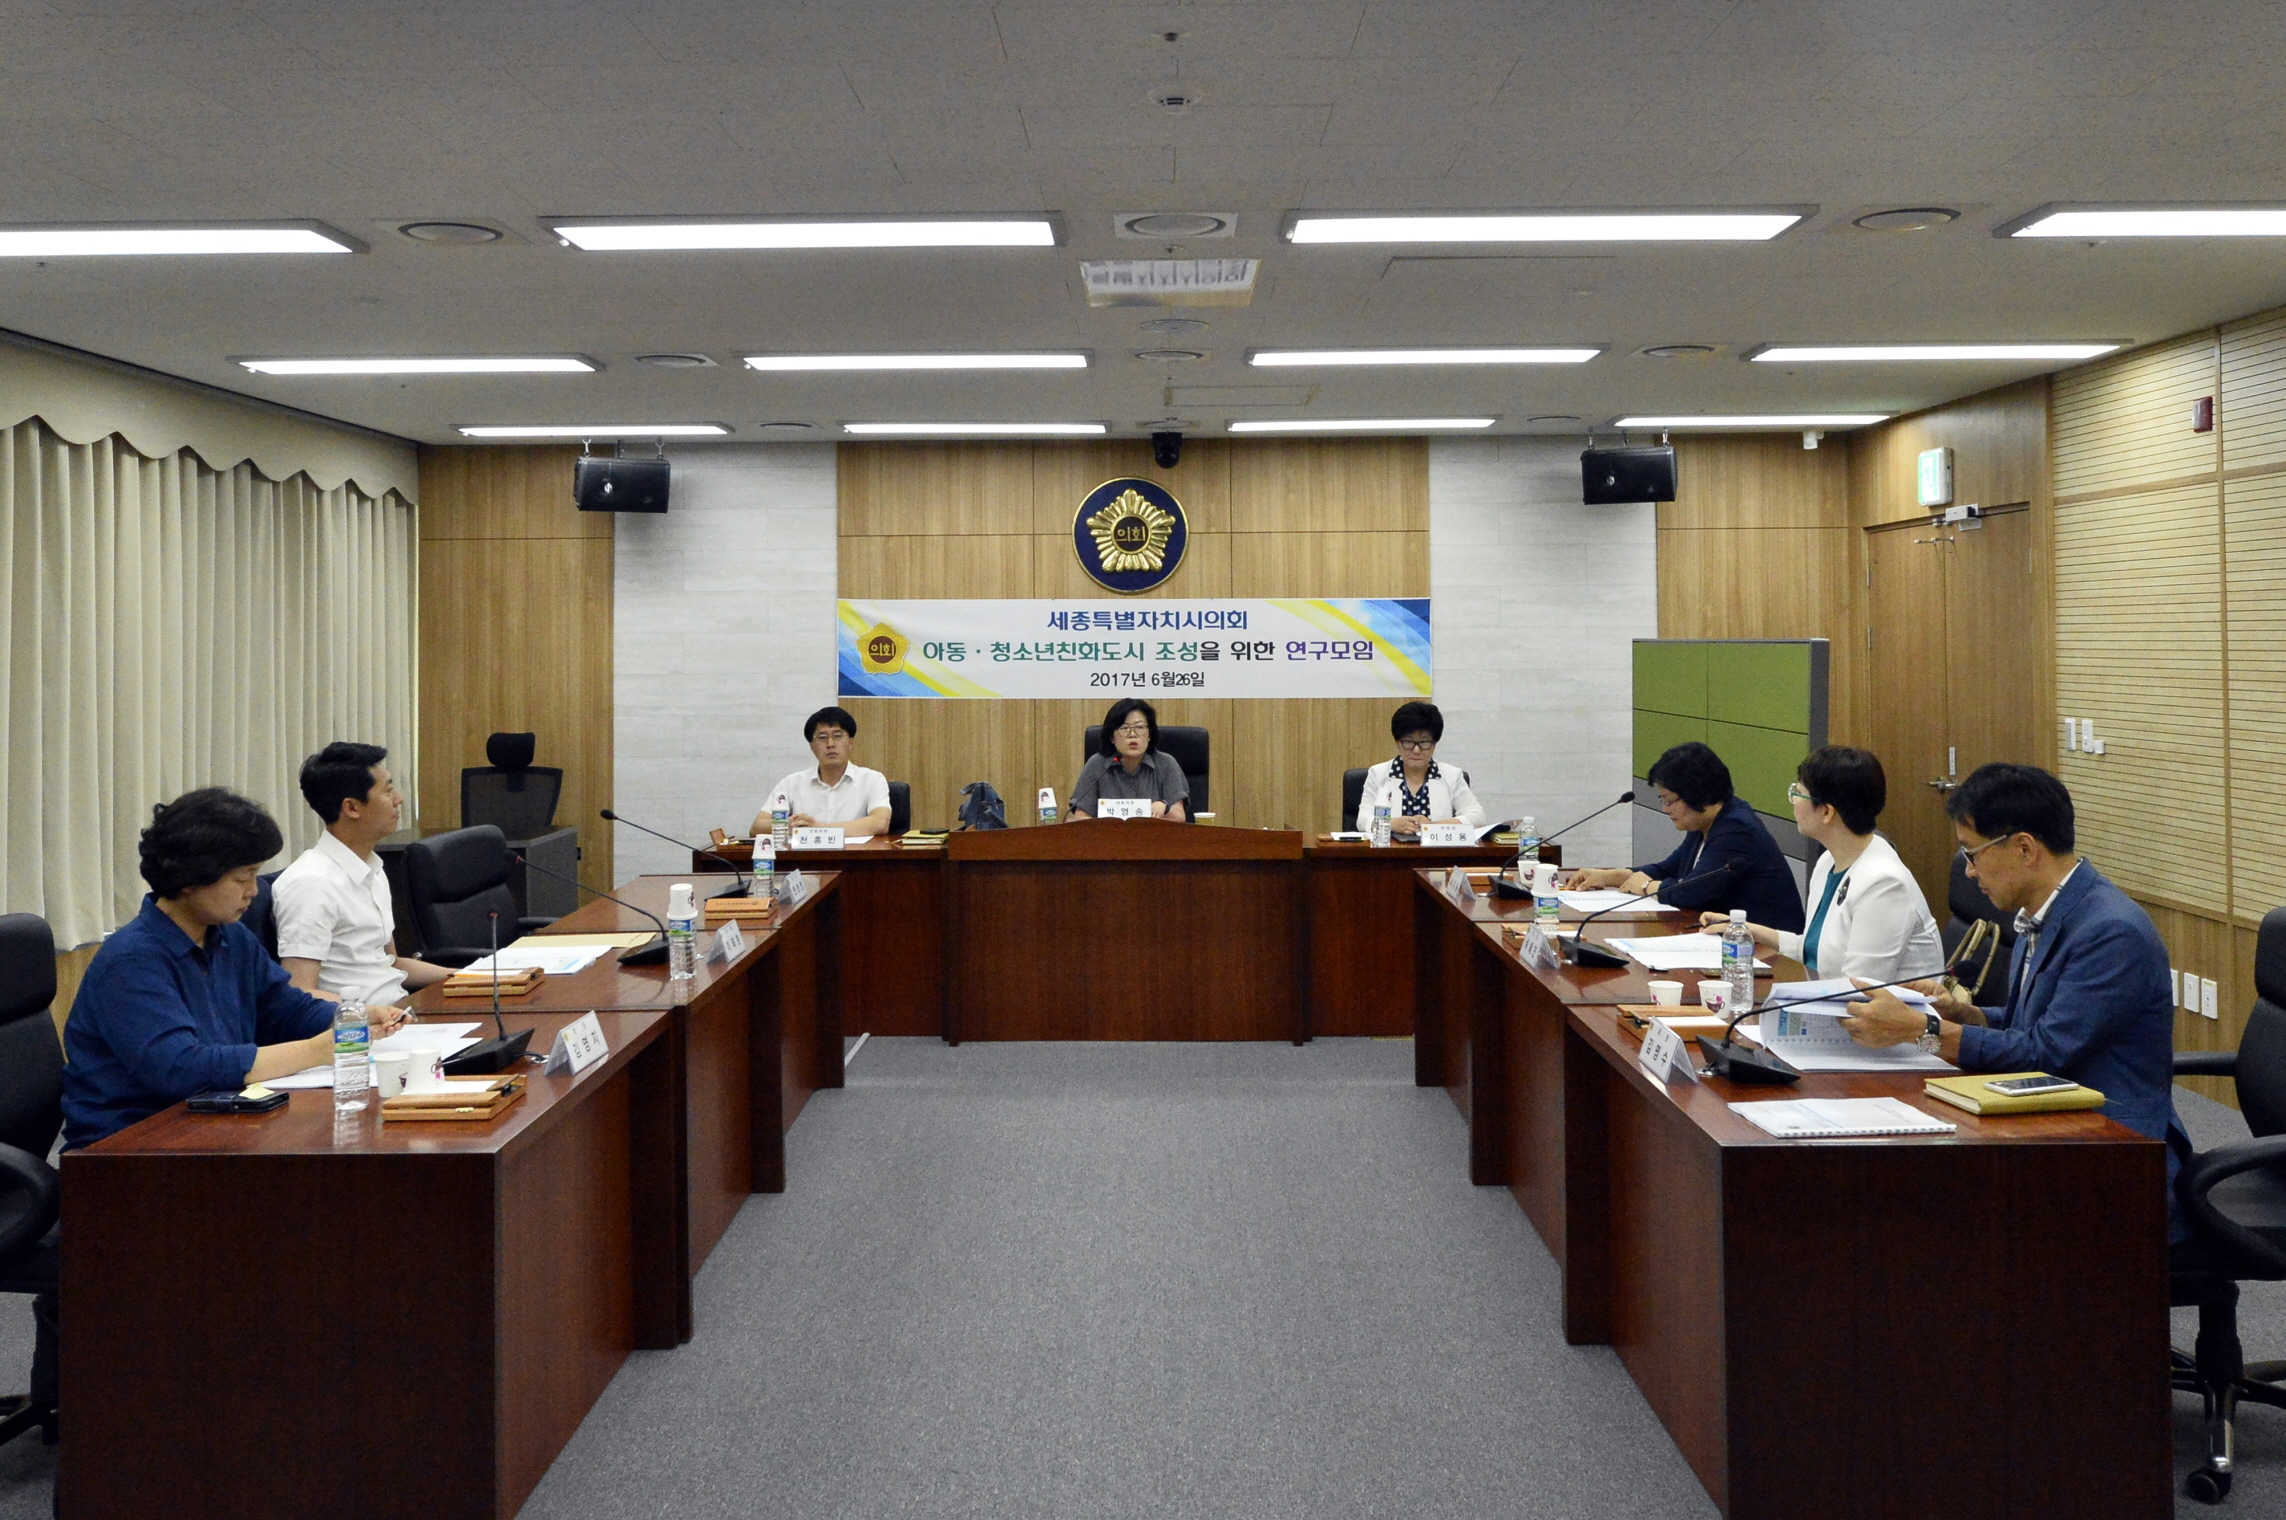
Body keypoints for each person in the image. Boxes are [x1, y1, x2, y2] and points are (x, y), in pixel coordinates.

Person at [1841, 765, 2185, 1231]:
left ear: (2024, 848)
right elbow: (2033, 1022)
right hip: (2046, 1118)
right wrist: (1966, 1013)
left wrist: (1924, 1032)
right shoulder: (2041, 913)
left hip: (2111, 1149)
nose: (1969, 871)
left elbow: (2045, 1054)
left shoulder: (2110, 932)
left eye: (1972, 853)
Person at [63, 788, 400, 1152]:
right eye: (242, 879)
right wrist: (317, 1050)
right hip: (127, 1151)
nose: (253, 891)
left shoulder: (229, 937)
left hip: (213, 1126)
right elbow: (182, 1070)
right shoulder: (132, 961)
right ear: (190, 879)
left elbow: (284, 1009)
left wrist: (352, 1017)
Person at [1698, 746, 1941, 982]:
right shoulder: (1829, 860)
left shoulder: (1884, 884)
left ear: (1826, 812)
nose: (1793, 801)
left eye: (1798, 793)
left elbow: (1858, 989)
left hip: (1875, 1007)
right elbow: (1812, 950)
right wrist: (1744, 929)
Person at [274, 742, 454, 1006]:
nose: (399, 799)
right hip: (363, 1024)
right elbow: (300, 992)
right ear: (352, 808)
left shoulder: (371, 867)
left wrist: (472, 977)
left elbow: (392, 964)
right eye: (388, 790)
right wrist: (373, 1015)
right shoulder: (311, 884)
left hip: (399, 1011)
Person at [1568, 741, 1805, 931]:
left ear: (1697, 794)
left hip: (1769, 954)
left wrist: (1646, 886)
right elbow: (1668, 869)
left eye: (1669, 800)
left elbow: (1691, 892)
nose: (1665, 809)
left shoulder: (1737, 828)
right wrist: (1609, 876)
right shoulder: (1706, 822)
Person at [754, 706, 893, 838]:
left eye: (838, 736)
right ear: (812, 747)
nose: (830, 744)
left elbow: (880, 823)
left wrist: (820, 828)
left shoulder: (872, 779)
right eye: (822, 737)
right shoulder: (791, 783)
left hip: (853, 854)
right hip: (805, 855)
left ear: (850, 742)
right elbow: (757, 826)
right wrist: (788, 825)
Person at [1354, 700, 1487, 836]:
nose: (1416, 750)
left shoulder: (1451, 775)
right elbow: (1363, 819)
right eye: (1408, 742)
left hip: (1437, 848)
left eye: (1424, 742)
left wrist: (1433, 826)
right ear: (1397, 742)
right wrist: (1391, 824)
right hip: (1391, 848)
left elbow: (1477, 817)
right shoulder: (1378, 774)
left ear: (1434, 743)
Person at [1070, 697, 1189, 821]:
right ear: (1111, 737)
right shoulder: (1097, 765)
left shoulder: (1166, 764)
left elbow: (1178, 818)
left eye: (1140, 727)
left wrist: (1163, 807)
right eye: (1124, 728)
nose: (1132, 734)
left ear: (1149, 734)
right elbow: (1081, 818)